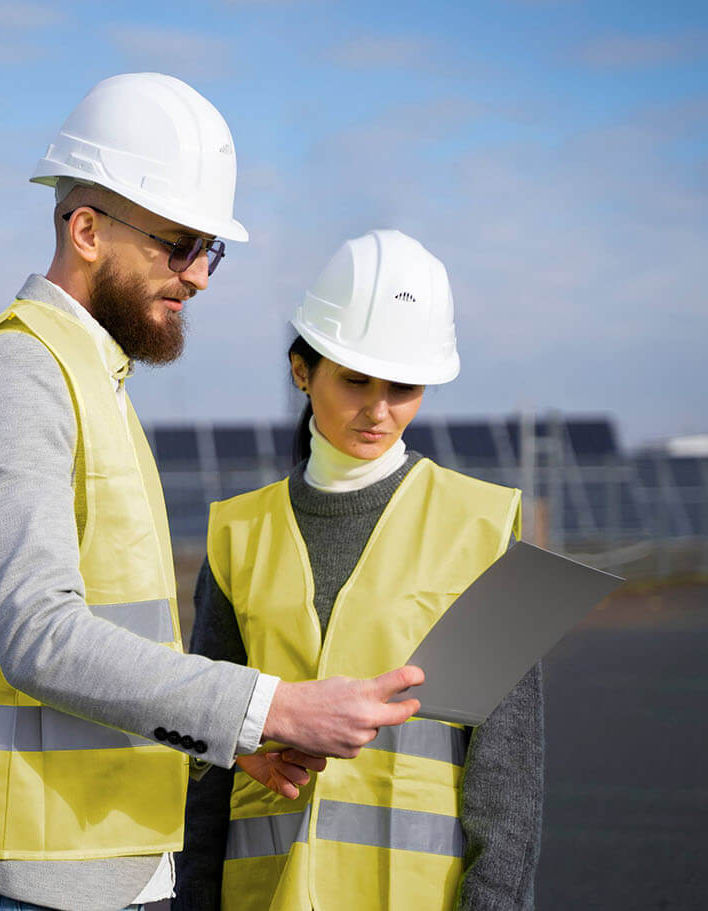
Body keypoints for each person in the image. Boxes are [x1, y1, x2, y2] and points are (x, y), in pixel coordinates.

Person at [0, 75, 427, 911]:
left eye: (211, 249)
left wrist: (236, 740)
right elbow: (42, 636)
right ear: (86, 229)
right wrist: (276, 704)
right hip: (14, 876)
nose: (200, 275)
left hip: (92, 864)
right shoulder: (18, 372)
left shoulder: (96, 380)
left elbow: (111, 637)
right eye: (179, 245)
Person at [173, 229, 544, 911]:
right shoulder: (238, 534)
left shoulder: (484, 527)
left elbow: (508, 789)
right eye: (355, 379)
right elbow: (206, 771)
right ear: (300, 369)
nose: (378, 409)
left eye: (403, 386)